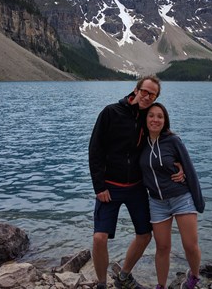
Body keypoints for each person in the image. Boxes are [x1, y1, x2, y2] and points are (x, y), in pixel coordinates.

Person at [88, 76, 184, 289]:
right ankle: (102, 284)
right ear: (136, 90)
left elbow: (165, 138)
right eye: (145, 92)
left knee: (144, 235)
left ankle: (123, 276)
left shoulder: (147, 117)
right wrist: (99, 186)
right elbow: (95, 150)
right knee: (99, 238)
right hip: (109, 187)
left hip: (137, 188)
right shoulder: (110, 112)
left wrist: (180, 164)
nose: (147, 97)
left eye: (152, 94)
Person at [139, 102, 205, 289]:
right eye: (151, 115)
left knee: (190, 245)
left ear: (165, 120)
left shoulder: (173, 141)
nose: (155, 119)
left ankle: (194, 277)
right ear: (145, 119)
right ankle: (161, 285)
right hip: (156, 203)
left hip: (181, 197)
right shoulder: (140, 143)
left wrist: (198, 201)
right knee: (162, 247)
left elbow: (189, 168)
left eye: (160, 116)